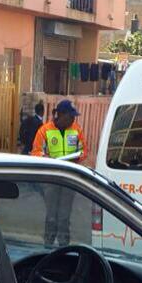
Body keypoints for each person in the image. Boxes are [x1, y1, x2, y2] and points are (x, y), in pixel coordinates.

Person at [30, 99, 88, 248]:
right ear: (60, 115)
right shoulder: (44, 131)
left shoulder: (76, 129)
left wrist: (78, 156)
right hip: (50, 179)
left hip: (69, 177)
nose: (73, 119)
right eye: (70, 116)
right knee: (51, 216)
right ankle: (48, 244)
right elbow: (35, 152)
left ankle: (64, 245)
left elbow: (84, 151)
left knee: (64, 216)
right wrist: (46, 158)